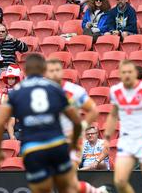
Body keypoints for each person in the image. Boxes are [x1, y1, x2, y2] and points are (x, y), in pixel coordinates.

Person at [0, 54, 83, 193]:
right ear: (44, 69)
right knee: (66, 188)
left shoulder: (16, 92)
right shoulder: (55, 88)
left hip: (33, 148)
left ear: (25, 70)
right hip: (57, 144)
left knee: (40, 190)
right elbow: (76, 121)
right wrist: (74, 143)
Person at [44, 59, 109, 193]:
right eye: (51, 71)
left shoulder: (74, 90)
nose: (54, 74)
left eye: (57, 70)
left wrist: (82, 126)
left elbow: (93, 110)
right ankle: (97, 191)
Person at [104, 60, 142, 193]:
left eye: (129, 72)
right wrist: (107, 138)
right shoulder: (116, 91)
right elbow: (113, 115)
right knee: (120, 181)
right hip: (126, 141)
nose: (126, 75)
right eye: (123, 72)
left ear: (135, 74)